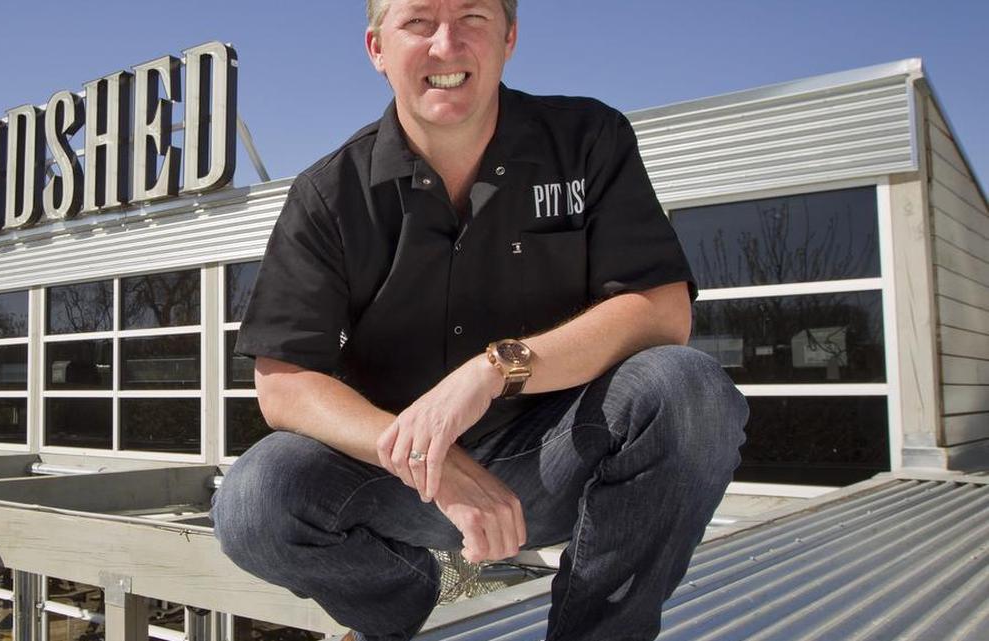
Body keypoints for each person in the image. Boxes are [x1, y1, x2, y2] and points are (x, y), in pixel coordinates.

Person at [211, 1, 748, 639]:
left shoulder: (586, 141)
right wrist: (422, 457)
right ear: (377, 48)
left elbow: (662, 313)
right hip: (401, 481)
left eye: (473, 16)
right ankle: (410, 603)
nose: (447, 44)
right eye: (418, 22)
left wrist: (494, 370)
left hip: (561, 455)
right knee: (253, 500)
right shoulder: (329, 195)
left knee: (688, 390)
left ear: (510, 37)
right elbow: (285, 382)